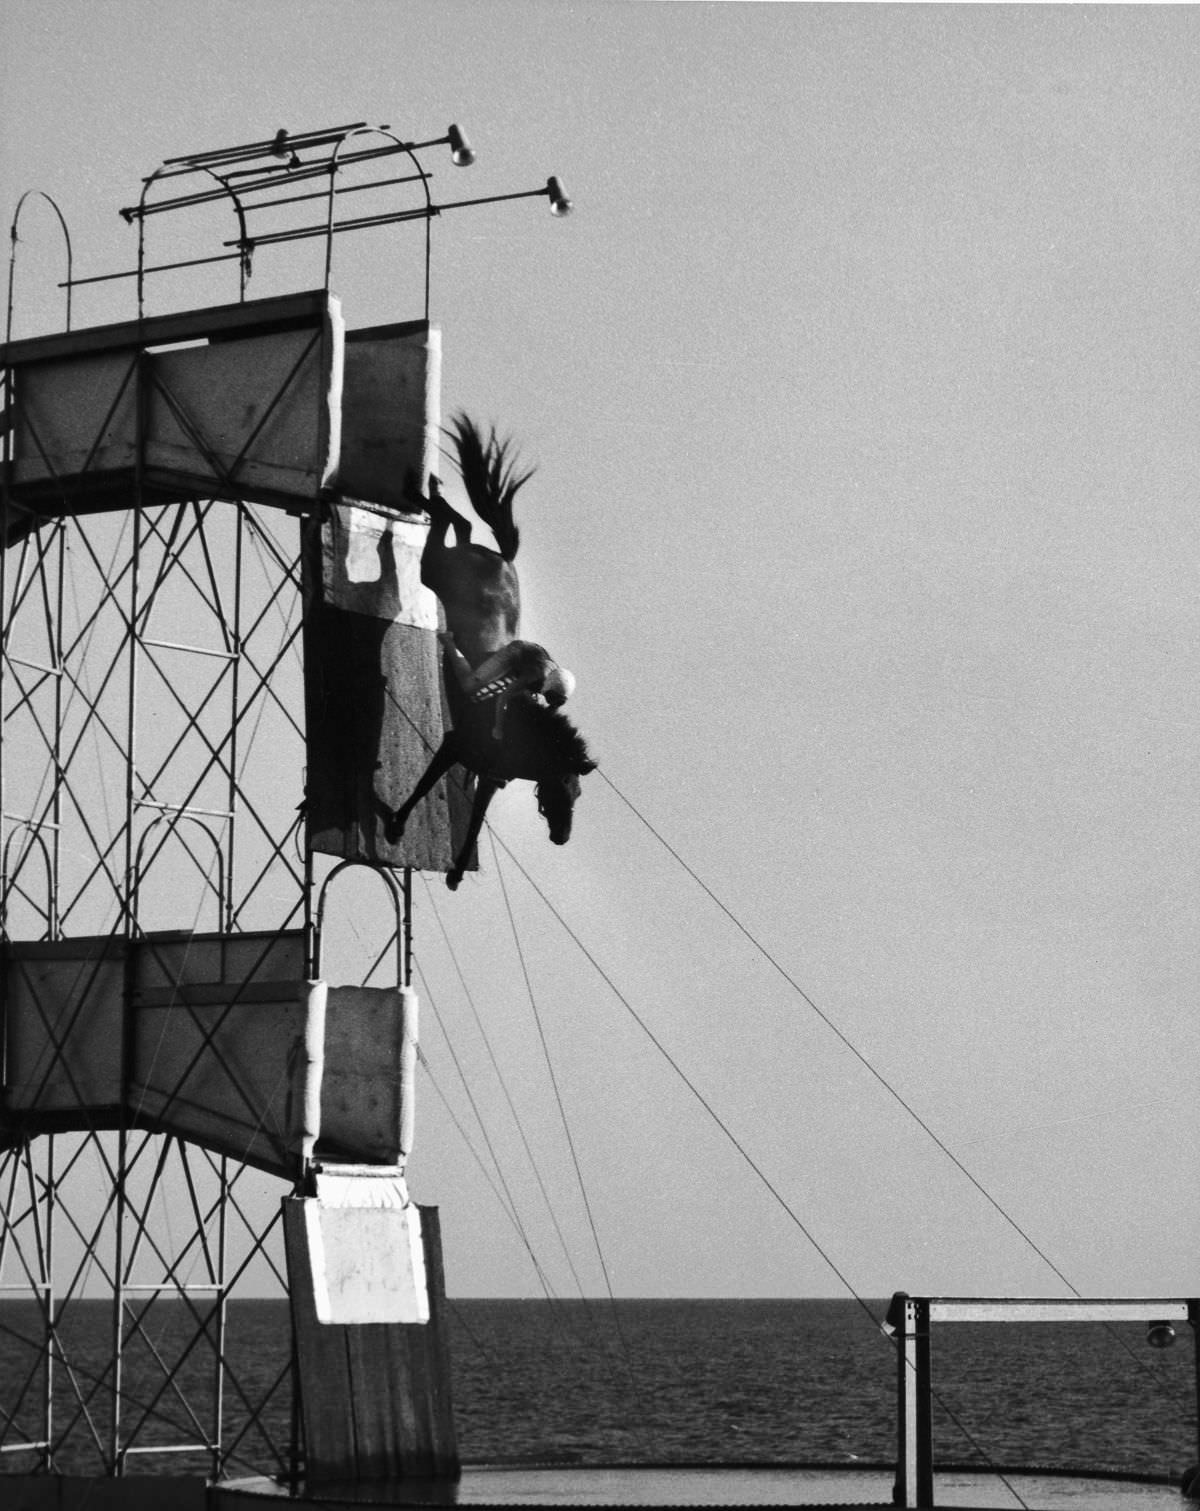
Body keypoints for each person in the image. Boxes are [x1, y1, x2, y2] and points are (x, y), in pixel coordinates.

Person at [439, 631, 575, 739]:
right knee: (469, 685)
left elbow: (548, 712)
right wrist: (498, 728)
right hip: (514, 654)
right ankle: (448, 640)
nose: (549, 700)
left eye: (553, 699)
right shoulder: (536, 674)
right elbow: (504, 697)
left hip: (526, 667)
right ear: (548, 683)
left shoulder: (556, 690)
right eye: (550, 696)